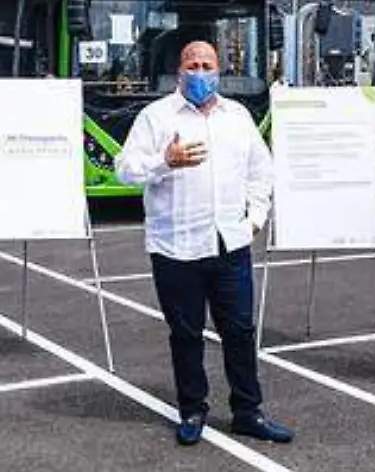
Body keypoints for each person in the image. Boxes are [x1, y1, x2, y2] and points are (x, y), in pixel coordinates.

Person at [115, 40, 293, 447]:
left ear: (219, 70)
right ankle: (193, 410)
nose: (200, 72)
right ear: (179, 72)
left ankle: (248, 412)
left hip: (230, 246)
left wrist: (255, 219)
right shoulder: (156, 116)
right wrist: (165, 161)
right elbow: (124, 170)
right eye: (192, 64)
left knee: (240, 331)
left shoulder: (238, 116)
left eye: (207, 65)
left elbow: (260, 172)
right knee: (186, 334)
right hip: (176, 248)